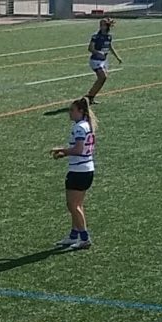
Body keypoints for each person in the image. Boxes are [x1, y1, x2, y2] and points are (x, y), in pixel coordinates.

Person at [50, 96, 98, 250]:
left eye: (72, 110)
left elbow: (78, 149)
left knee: (73, 205)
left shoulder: (79, 127)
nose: (69, 113)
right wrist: (64, 154)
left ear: (81, 111)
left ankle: (84, 238)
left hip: (78, 171)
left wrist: (61, 150)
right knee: (76, 205)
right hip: (87, 169)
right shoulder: (87, 125)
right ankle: (73, 235)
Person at [83, 15, 121, 102]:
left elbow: (110, 47)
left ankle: (91, 96)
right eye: (100, 24)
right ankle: (89, 96)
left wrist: (117, 57)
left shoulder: (109, 36)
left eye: (103, 24)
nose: (101, 26)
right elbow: (90, 48)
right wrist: (98, 52)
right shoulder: (96, 36)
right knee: (102, 76)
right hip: (95, 60)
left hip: (103, 61)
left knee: (103, 78)